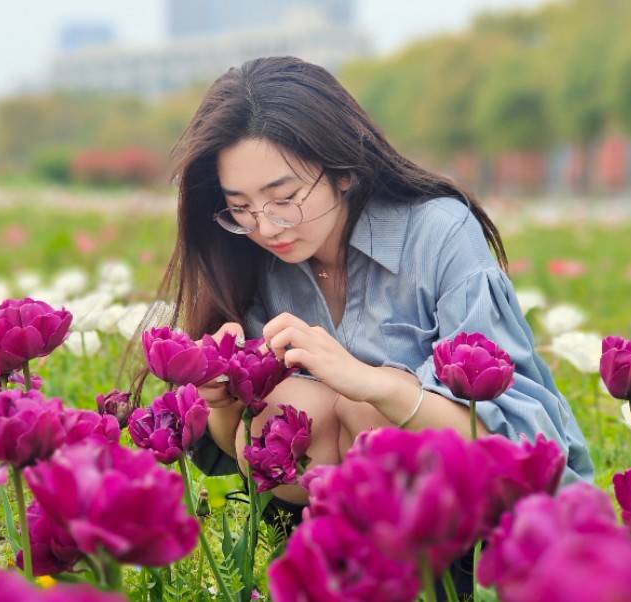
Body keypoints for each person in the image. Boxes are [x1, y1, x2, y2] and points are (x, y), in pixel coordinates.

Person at [146, 56, 593, 521]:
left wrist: (373, 384)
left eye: (285, 199)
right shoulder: (249, 258)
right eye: (240, 206)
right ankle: (339, 556)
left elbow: (519, 438)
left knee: (370, 411)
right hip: (332, 517)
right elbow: (242, 442)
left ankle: (443, 579)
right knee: (286, 405)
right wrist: (225, 405)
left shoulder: (439, 232)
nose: (265, 226)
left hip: (492, 513)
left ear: (344, 170)